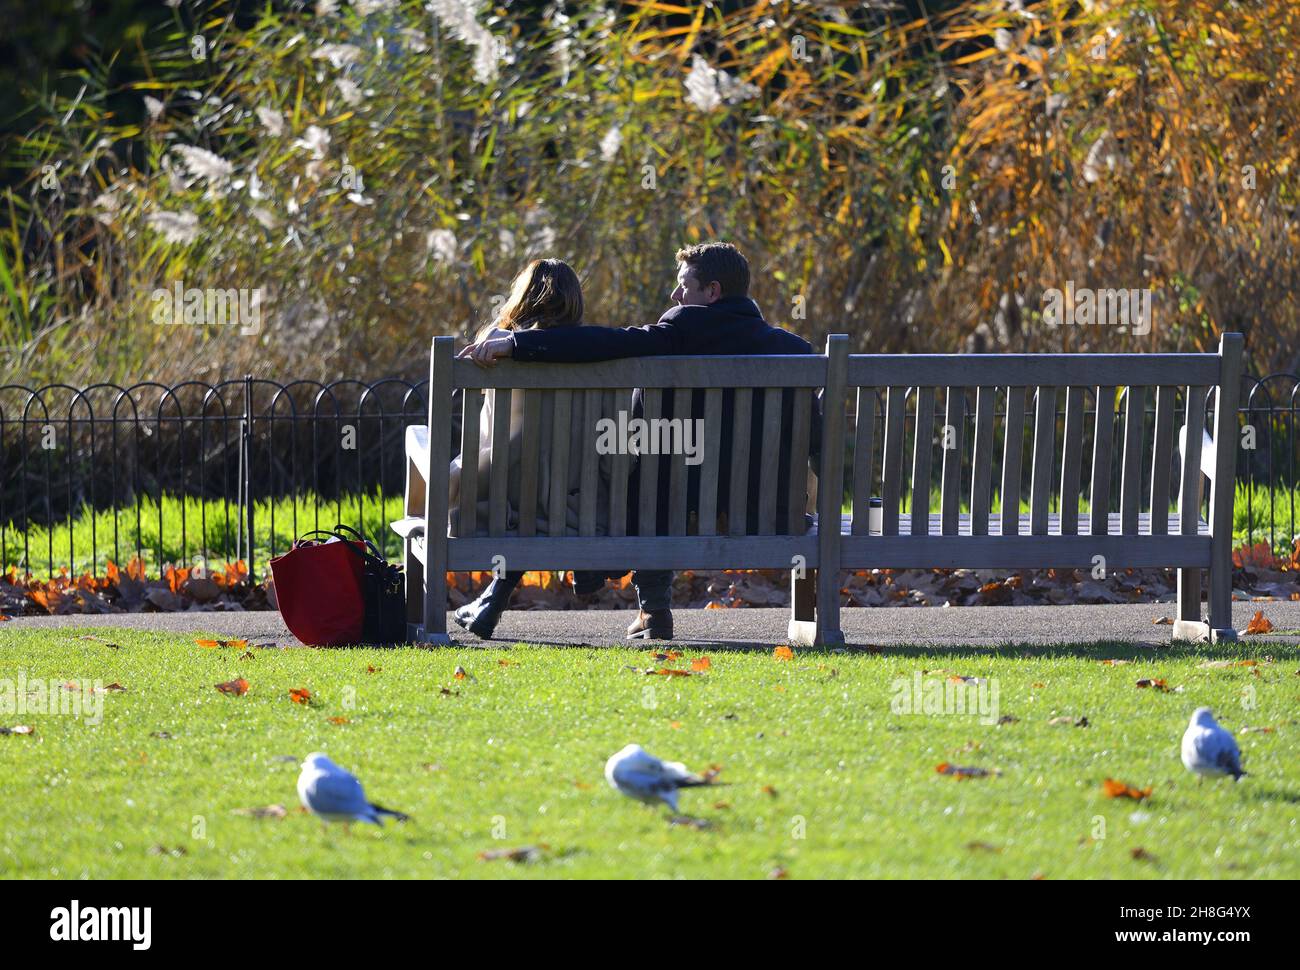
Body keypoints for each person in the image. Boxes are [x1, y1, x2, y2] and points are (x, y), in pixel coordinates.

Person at [463, 242, 821, 641]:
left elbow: (605, 342)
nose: (675, 295)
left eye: (684, 285)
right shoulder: (796, 352)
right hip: (770, 516)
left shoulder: (678, 334)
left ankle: (653, 613)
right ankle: (815, 620)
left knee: (652, 470)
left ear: (713, 292)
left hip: (671, 513)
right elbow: (818, 444)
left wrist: (517, 343)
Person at [431, 258, 612, 638]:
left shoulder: (496, 353)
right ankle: (498, 597)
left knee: (514, 479)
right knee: (554, 479)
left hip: (503, 505)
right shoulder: (602, 355)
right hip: (581, 508)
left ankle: (487, 602)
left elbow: (487, 442)